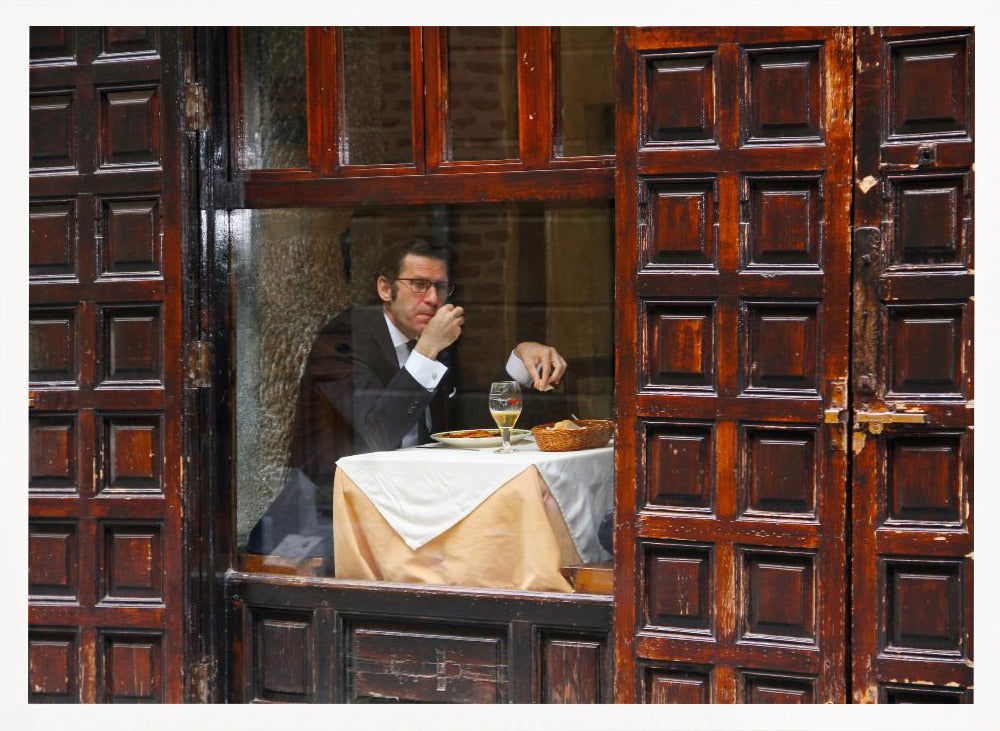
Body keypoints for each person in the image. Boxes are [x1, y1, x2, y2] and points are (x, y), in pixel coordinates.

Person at [247, 237, 569, 557]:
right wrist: (428, 350)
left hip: (413, 509)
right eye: (419, 285)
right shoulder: (346, 336)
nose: (432, 299)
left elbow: (467, 426)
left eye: (440, 288)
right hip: (331, 517)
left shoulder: (434, 343)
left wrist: (518, 362)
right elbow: (378, 432)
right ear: (386, 289)